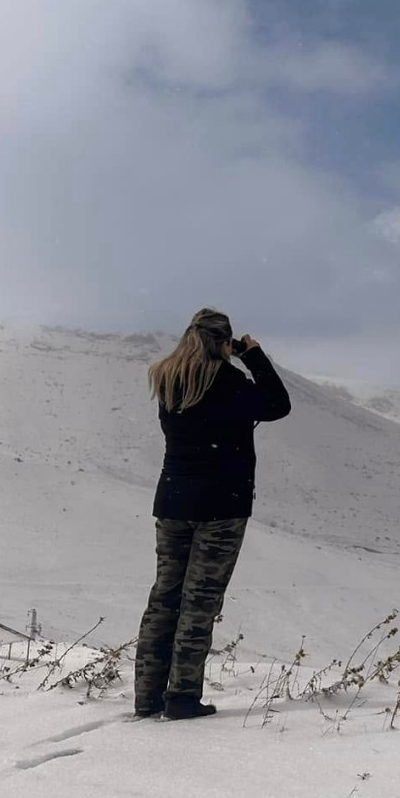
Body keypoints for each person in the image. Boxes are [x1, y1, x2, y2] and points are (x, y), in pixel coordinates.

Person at [135, 308, 291, 720]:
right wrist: (252, 356)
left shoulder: (168, 379)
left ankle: (147, 696)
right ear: (225, 343)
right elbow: (277, 404)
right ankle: (182, 698)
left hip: (173, 503)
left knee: (163, 599)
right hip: (221, 507)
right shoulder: (229, 382)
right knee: (199, 603)